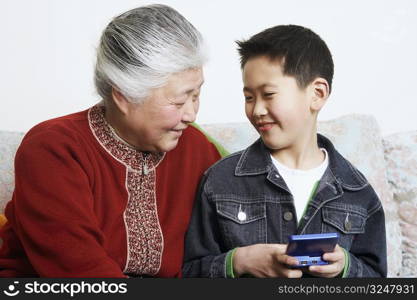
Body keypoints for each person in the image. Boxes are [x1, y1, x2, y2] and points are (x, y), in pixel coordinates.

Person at [0, 4, 226, 277]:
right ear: (123, 97)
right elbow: (78, 269)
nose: (191, 114)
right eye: (178, 100)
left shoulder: (199, 149)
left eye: (196, 95)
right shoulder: (54, 149)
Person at [183, 25, 387, 278]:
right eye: (249, 97)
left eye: (269, 94)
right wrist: (239, 261)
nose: (257, 110)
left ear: (317, 94)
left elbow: (378, 279)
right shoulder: (220, 181)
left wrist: (345, 266)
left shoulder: (357, 192)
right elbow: (189, 273)